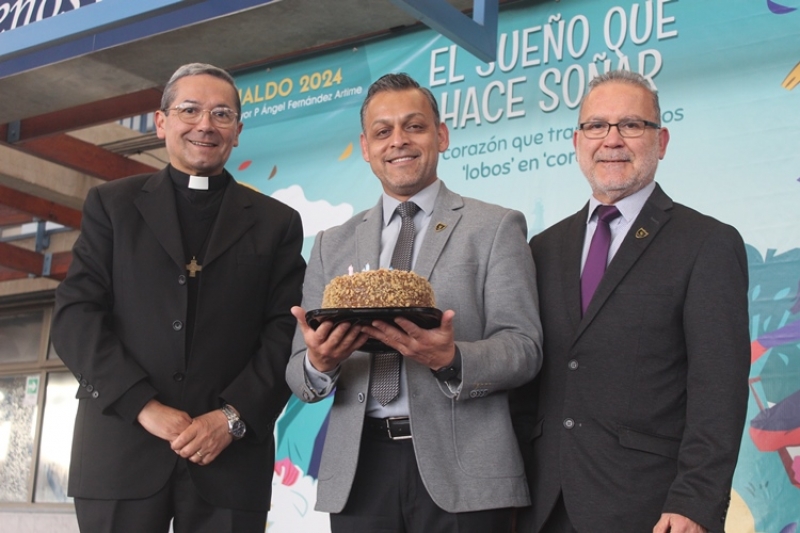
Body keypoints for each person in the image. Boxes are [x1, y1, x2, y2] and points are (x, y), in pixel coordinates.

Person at [51, 63, 306, 533]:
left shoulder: (278, 223)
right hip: (121, 450)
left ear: (238, 131)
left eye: (221, 114)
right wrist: (143, 405)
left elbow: (286, 331)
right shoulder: (112, 206)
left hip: (229, 459)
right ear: (162, 121)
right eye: (189, 110)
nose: (205, 125)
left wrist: (231, 418)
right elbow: (75, 316)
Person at [286, 72, 542, 533]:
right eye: (383, 132)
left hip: (464, 471)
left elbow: (524, 348)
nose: (398, 141)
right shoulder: (330, 245)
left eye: (414, 126)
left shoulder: (495, 227)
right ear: (365, 148)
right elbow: (298, 372)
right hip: (360, 472)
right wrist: (319, 364)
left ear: (441, 135)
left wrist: (451, 358)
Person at [510, 69, 750, 533]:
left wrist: (695, 503)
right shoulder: (542, 248)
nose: (612, 139)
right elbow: (528, 384)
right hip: (542, 508)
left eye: (631, 125)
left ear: (660, 141)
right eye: (597, 125)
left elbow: (718, 389)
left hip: (652, 509)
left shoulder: (706, 243)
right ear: (577, 141)